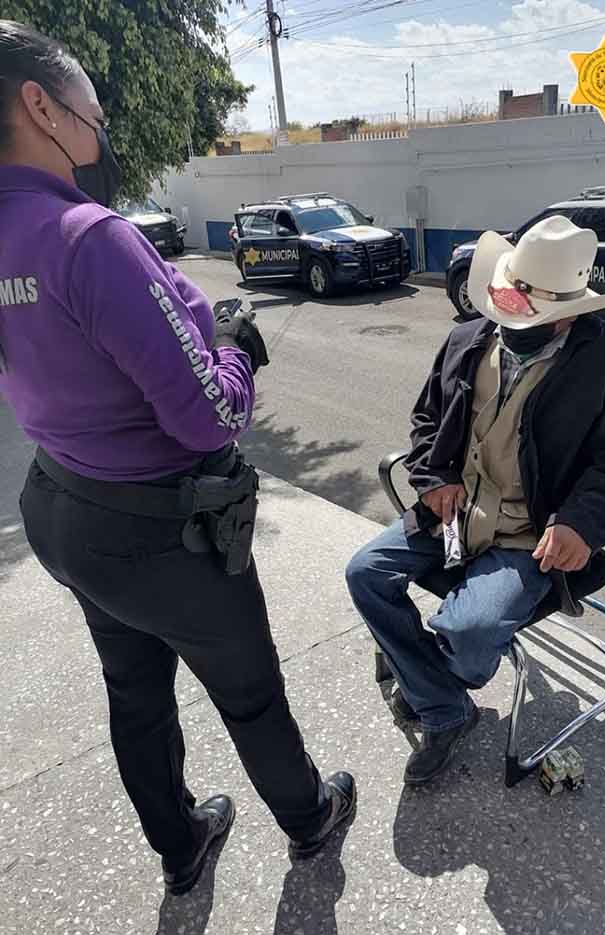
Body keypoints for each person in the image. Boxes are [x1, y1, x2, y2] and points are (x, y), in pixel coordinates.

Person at [0, 21, 355, 895]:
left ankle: (180, 845)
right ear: (39, 105)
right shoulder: (88, 236)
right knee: (249, 688)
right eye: (93, 107)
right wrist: (236, 343)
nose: (99, 125)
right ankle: (310, 818)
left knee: (134, 689)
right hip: (160, 530)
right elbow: (209, 416)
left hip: (59, 504)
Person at [346, 214, 605, 786]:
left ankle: (423, 682)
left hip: (530, 533)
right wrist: (433, 478)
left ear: (565, 314)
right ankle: (446, 706)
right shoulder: (469, 336)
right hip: (454, 516)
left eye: (530, 316)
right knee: (365, 573)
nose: (511, 322)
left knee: (466, 630)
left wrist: (581, 524)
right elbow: (427, 419)